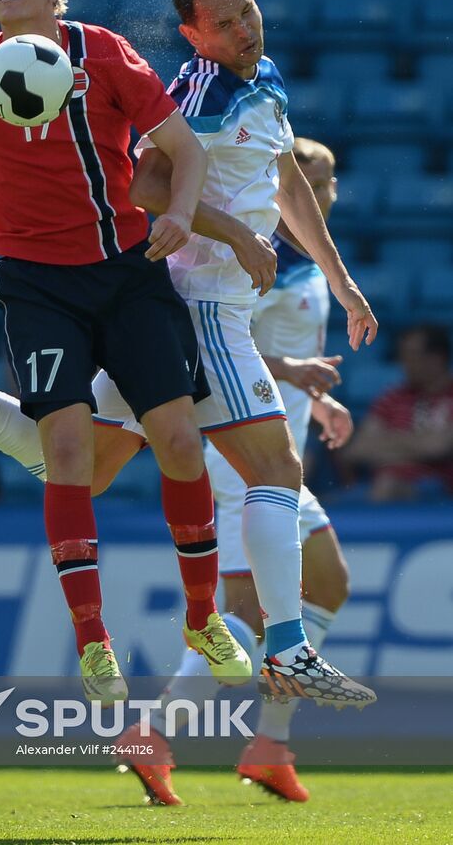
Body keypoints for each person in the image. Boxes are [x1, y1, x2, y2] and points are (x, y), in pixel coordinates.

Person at [0, 0, 376, 718]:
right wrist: (231, 237)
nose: (242, 29)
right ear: (193, 36)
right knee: (268, 465)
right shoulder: (188, 87)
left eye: (247, 13)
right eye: (222, 23)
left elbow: (280, 178)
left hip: (133, 282)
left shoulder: (248, 79)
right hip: (172, 295)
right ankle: (282, 646)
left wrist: (339, 280)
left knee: (84, 469)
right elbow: (148, 178)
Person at [119, 137, 354, 805]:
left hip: (279, 466)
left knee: (323, 588)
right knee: (250, 614)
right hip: (238, 461)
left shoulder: (302, 264)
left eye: (328, 179)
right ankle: (160, 735)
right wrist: (291, 373)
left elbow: (270, 349)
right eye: (314, 179)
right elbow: (209, 339)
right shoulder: (247, 256)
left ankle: (267, 747)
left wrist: (316, 393)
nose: (325, 191)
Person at [343, 324, 453, 501]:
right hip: (383, 483)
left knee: (388, 486)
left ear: (436, 358)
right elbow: (358, 449)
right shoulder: (392, 397)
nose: (404, 363)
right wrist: (420, 445)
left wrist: (387, 443)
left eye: (411, 356)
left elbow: (439, 448)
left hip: (440, 491)